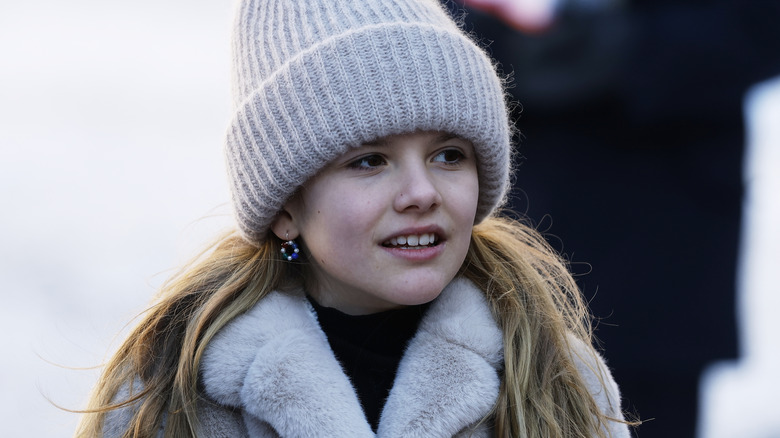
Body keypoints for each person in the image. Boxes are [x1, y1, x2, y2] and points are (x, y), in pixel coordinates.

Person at [75, 0, 634, 436]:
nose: (421, 192)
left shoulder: (554, 377)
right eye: (369, 161)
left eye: (448, 155)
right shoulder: (172, 393)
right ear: (285, 207)